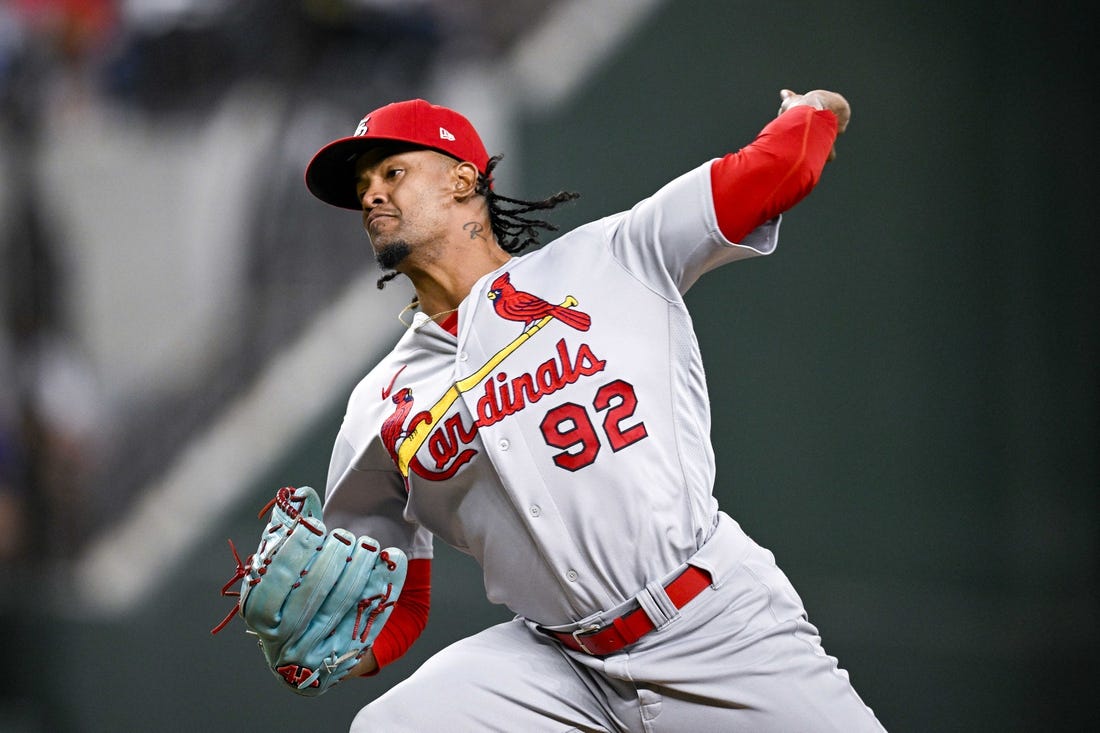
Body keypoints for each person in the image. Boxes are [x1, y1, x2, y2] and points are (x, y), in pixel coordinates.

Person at [299, 91, 886, 731]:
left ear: (463, 179)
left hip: (715, 625)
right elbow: (393, 599)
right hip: (557, 668)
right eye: (362, 186)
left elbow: (782, 165)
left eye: (393, 172)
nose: (372, 196)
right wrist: (340, 653)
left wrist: (817, 108)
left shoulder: (610, 258)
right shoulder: (380, 403)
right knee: (396, 726)